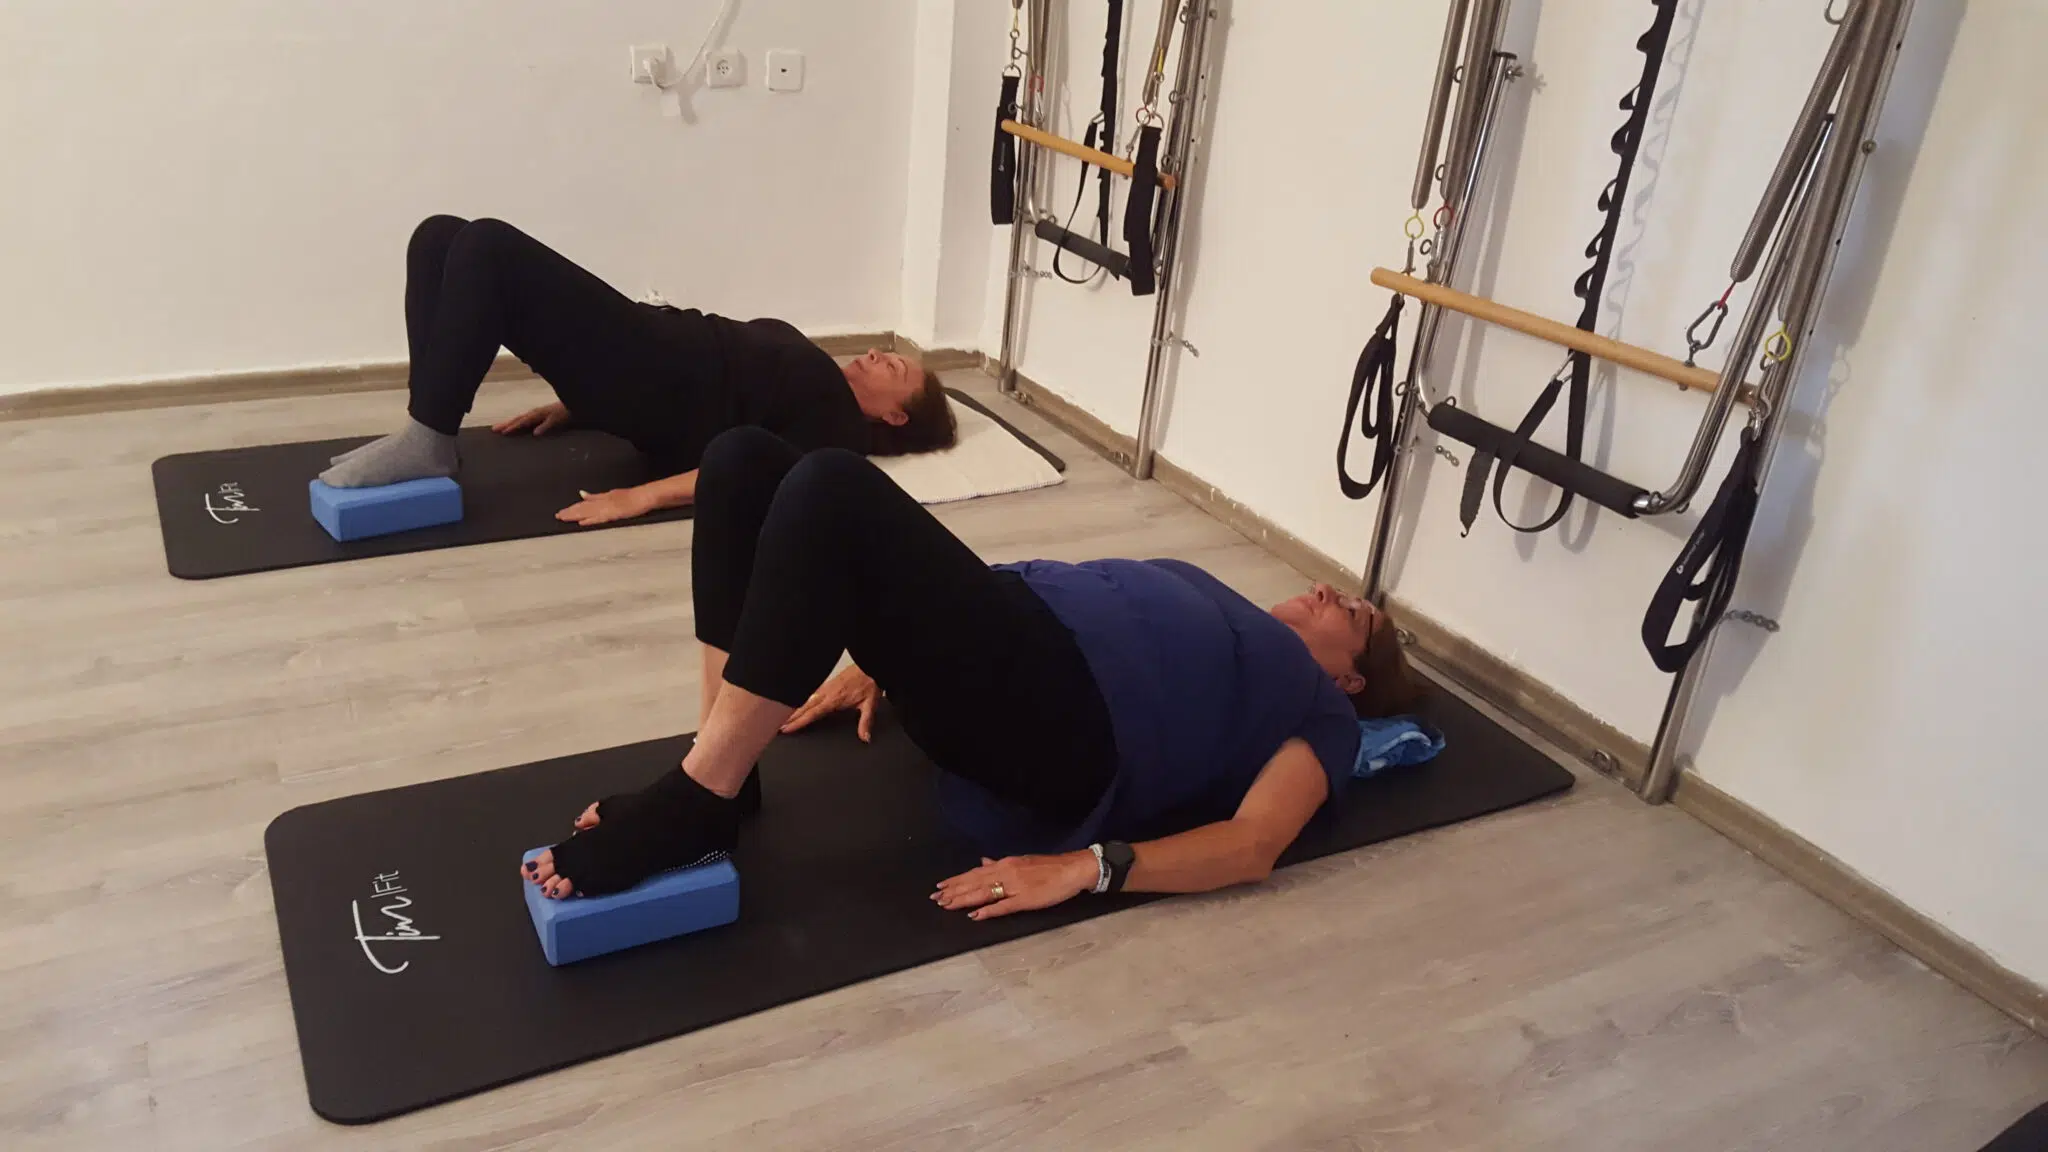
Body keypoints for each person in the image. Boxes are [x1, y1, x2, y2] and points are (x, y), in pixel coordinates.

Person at [520, 427, 1428, 916]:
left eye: (1352, 613)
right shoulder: (1220, 598)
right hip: (1008, 642)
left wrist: (1088, 870)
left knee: (832, 485)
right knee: (741, 461)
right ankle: (725, 768)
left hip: (1067, 726)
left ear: (1351, 677)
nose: (1328, 592)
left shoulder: (1318, 713)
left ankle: (697, 798)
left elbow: (1253, 845)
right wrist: (881, 655)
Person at [320, 215, 958, 526]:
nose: (879, 355)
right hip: (638, 349)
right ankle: (425, 426)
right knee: (438, 237)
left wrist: (641, 497)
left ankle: (429, 438)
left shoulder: (837, 429)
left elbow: (751, 470)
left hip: (650, 376)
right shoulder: (816, 375)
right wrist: (576, 406)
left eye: (896, 368)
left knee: (486, 244)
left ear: (895, 415)